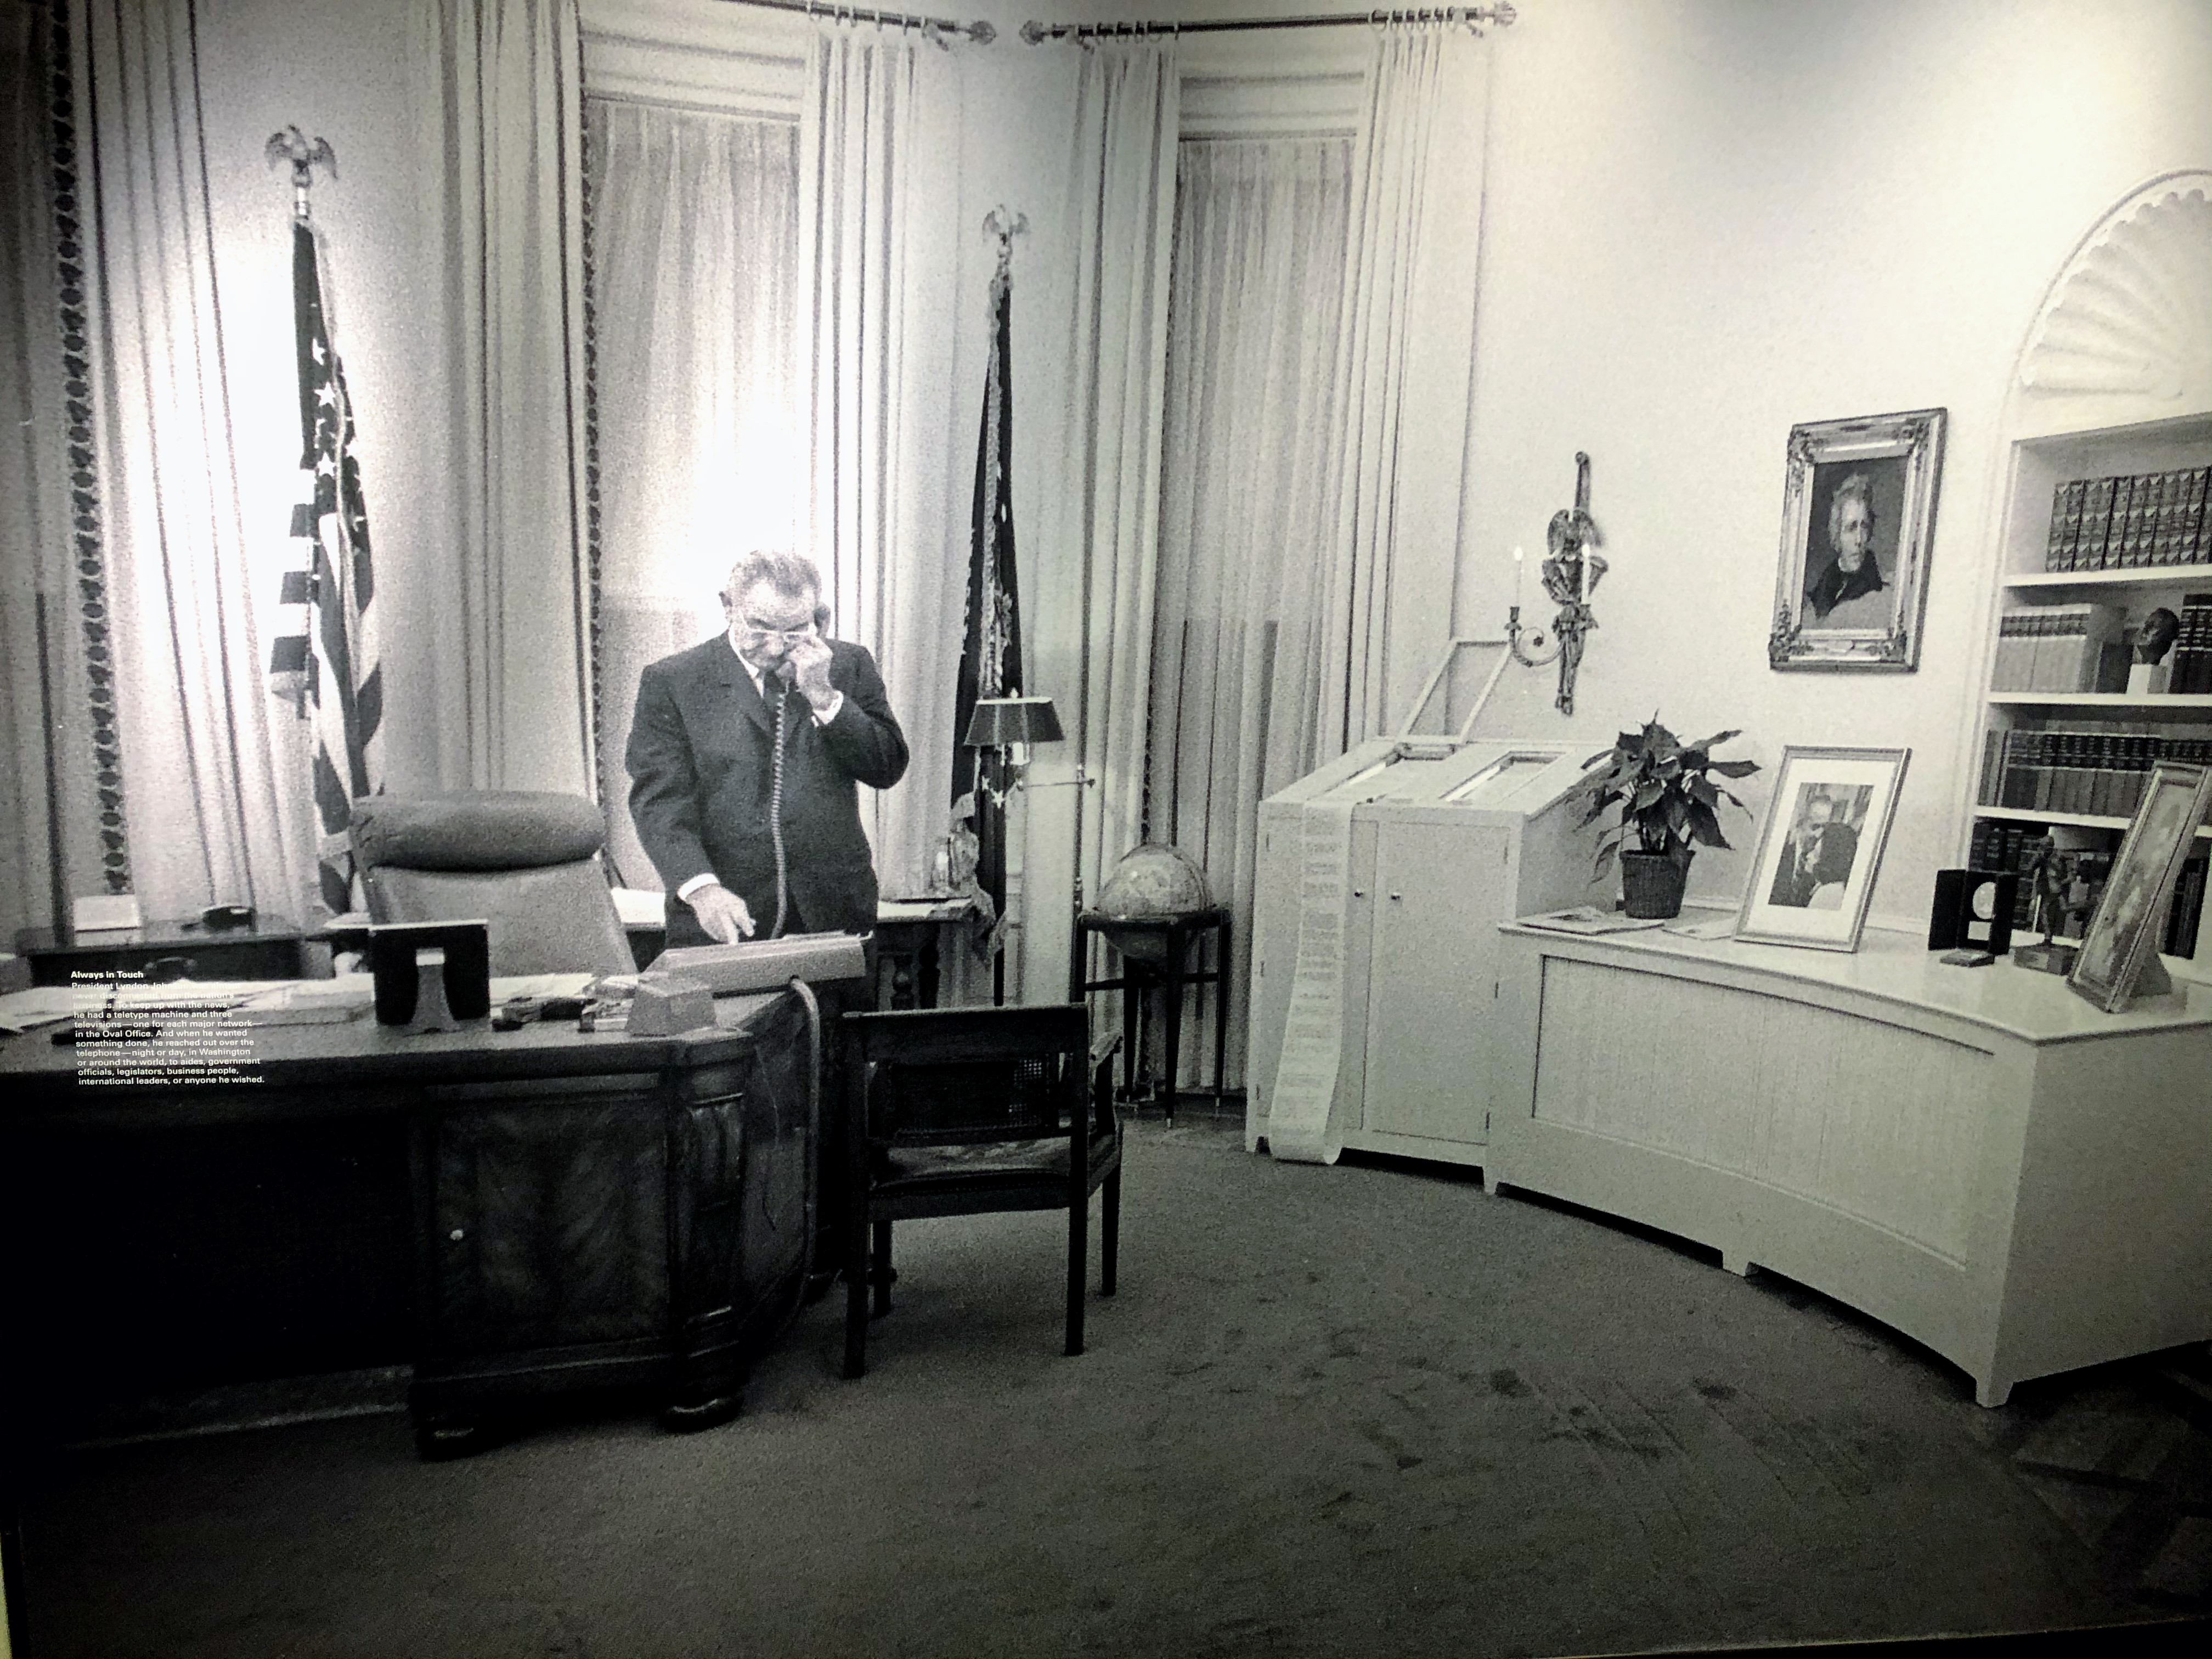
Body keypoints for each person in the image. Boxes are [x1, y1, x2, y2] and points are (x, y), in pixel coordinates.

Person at [626, 550, 909, 949]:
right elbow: (660, 804)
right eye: (760, 628)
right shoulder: (673, 681)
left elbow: (888, 767)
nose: (777, 648)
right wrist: (702, 890)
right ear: (728, 607)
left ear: (818, 618)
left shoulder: (847, 665)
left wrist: (824, 696)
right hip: (724, 918)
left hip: (834, 914)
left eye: (795, 629)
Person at [1803, 472, 1891, 629]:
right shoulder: (1819, 595)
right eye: (1851, 528)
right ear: (1837, 533)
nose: (1859, 540)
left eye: (1864, 527)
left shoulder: (1881, 597)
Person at [1768, 792, 1860, 909]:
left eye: (1825, 828)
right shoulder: (1779, 852)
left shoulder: (1825, 864)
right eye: (1815, 826)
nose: (1819, 834)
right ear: (1801, 821)